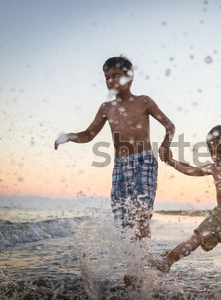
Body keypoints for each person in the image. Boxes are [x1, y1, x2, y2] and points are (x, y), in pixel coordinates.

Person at [54, 56, 175, 283]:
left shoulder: (144, 101)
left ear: (129, 77)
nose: (111, 81)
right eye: (107, 77)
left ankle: (135, 268)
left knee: (140, 213)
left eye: (116, 76)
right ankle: (138, 263)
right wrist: (68, 136)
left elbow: (170, 126)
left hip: (143, 162)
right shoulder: (106, 108)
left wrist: (167, 144)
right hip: (120, 166)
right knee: (124, 222)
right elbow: (89, 135)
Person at [152, 124, 221, 296]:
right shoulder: (213, 167)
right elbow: (191, 170)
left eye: (220, 151)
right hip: (219, 214)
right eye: (212, 152)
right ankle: (167, 262)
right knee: (195, 238)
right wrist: (172, 162)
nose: (216, 156)